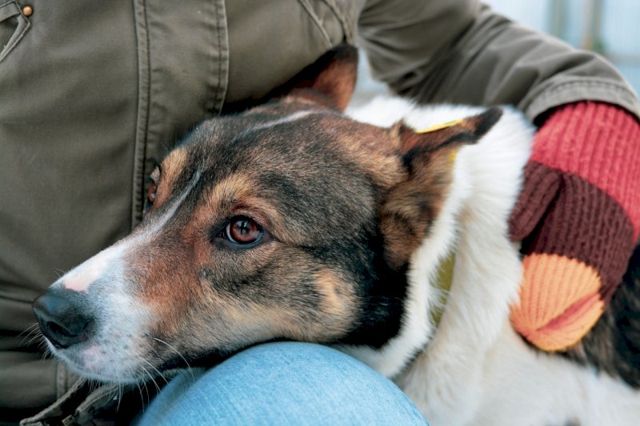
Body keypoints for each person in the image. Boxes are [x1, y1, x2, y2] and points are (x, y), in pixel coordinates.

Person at [1, 0, 638, 424]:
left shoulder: (410, 202)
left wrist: (593, 105)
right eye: (156, 193)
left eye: (241, 229)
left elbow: (456, 38)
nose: (80, 290)